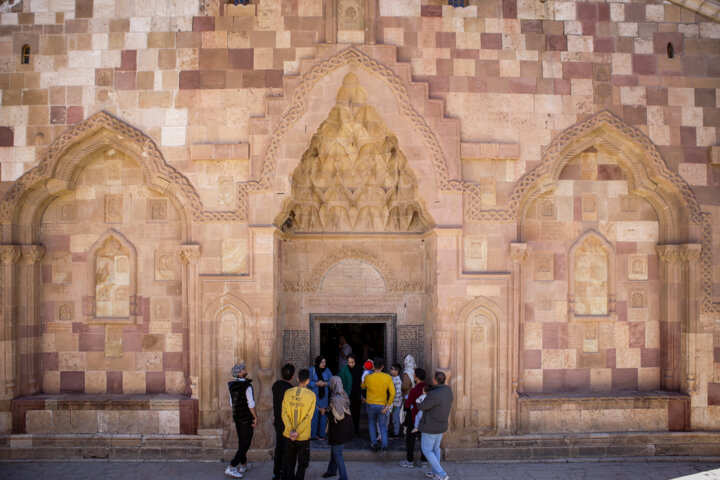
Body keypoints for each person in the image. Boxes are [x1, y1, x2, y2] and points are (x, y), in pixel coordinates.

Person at [281, 369, 316, 480]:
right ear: (308, 381)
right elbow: (308, 417)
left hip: (288, 435)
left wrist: (291, 430)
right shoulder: (311, 395)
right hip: (303, 437)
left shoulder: (288, 393)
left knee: (289, 462)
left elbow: (284, 413)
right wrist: (297, 432)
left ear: (297, 379)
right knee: (302, 464)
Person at [419, 371, 453, 480]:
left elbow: (422, 406)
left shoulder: (433, 394)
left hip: (430, 427)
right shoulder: (448, 390)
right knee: (435, 448)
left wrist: (422, 397)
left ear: (435, 380)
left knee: (427, 450)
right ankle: (435, 472)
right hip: (441, 425)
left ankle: (441, 474)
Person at [225, 363, 257, 478]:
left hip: (238, 419)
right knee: (245, 444)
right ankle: (232, 467)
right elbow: (251, 404)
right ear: (239, 373)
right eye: (243, 369)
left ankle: (243, 464)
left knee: (242, 442)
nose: (245, 370)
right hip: (246, 419)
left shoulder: (232, 386)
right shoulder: (247, 386)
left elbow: (231, 403)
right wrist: (255, 417)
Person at [360, 357, 395, 457]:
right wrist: (387, 406)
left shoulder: (368, 377)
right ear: (383, 367)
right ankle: (384, 446)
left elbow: (362, 386)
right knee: (382, 426)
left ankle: (374, 444)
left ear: (373, 366)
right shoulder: (387, 377)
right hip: (382, 405)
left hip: (370, 404)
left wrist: (365, 374)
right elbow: (392, 393)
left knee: (371, 423)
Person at [321, 376, 354, 480]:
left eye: (331, 383)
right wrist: (327, 409)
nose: (329, 385)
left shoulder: (336, 398)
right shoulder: (342, 394)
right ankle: (331, 470)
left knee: (338, 453)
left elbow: (337, 416)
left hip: (339, 430)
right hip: (343, 428)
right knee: (334, 451)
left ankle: (344, 477)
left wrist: (325, 412)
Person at [399, 368, 427, 469]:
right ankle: (423, 461)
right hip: (425, 418)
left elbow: (407, 404)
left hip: (414, 417)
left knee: (410, 440)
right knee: (424, 439)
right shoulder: (427, 388)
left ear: (416, 377)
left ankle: (410, 461)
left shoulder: (415, 390)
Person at [272, 363, 295, 480]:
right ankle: (284, 473)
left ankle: (276, 473)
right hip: (287, 423)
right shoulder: (291, 390)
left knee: (279, 447)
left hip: (278, 421)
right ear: (292, 376)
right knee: (287, 449)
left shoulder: (275, 385)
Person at [309, 355, 332, 440]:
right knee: (314, 416)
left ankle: (321, 434)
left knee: (323, 415)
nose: (324, 364)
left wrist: (325, 383)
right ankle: (313, 435)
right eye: (322, 362)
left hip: (324, 397)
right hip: (314, 396)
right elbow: (307, 381)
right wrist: (316, 384)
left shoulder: (327, 370)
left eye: (325, 362)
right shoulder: (312, 370)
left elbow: (332, 381)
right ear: (318, 362)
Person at [343, 354, 363, 434]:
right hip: (347, 395)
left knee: (356, 414)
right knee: (347, 414)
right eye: (349, 362)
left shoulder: (360, 369)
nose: (351, 364)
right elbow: (341, 381)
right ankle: (348, 430)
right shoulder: (344, 369)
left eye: (352, 362)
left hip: (357, 395)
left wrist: (362, 395)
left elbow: (362, 382)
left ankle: (355, 430)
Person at [388, 363, 403, 437]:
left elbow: (398, 394)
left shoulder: (398, 381)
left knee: (395, 418)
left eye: (392, 369)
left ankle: (396, 433)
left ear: (397, 371)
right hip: (392, 402)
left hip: (396, 403)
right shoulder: (391, 377)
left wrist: (394, 404)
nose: (390, 370)